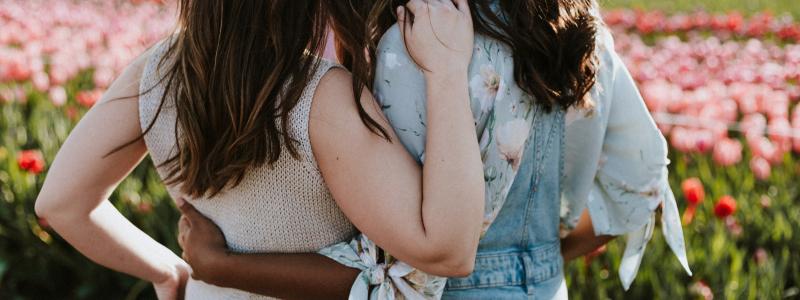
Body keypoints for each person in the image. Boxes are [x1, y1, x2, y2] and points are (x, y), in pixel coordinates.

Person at [177, 0, 692, 299]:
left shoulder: (413, 42)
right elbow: (640, 184)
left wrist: (222, 266)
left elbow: (394, 273)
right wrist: (527, 262)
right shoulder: (580, 28)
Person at [34, 0, 488, 299]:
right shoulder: (319, 95)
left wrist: (167, 272)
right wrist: (446, 70)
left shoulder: (157, 72)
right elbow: (448, 250)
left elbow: (61, 204)